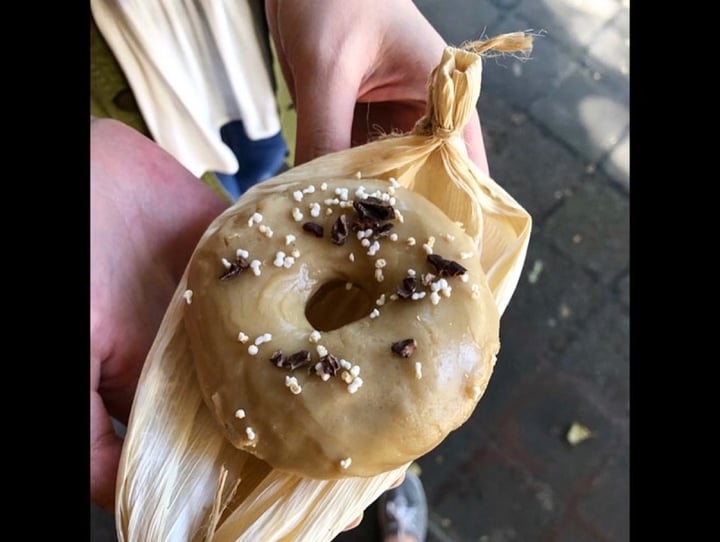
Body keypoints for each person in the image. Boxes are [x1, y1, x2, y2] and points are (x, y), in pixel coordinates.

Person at [91, 1, 491, 539]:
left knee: (263, 173)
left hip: (253, 67)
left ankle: (386, 481)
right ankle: (383, 479)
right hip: (128, 143)